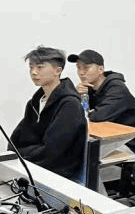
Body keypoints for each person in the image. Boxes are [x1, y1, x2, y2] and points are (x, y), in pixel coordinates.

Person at [10, 46, 87, 182]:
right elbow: (14, 142)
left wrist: (19, 154)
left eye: (40, 67)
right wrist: (15, 155)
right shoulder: (34, 103)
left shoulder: (69, 104)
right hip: (32, 166)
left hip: (57, 174)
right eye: (31, 67)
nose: (33, 72)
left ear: (58, 71)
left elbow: (51, 152)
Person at [69, 49, 135, 134]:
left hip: (130, 138)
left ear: (100, 69)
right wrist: (76, 94)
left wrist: (82, 114)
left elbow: (98, 117)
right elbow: (71, 113)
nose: (81, 73)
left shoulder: (117, 88)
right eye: (78, 68)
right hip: (105, 134)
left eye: (86, 67)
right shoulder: (88, 88)